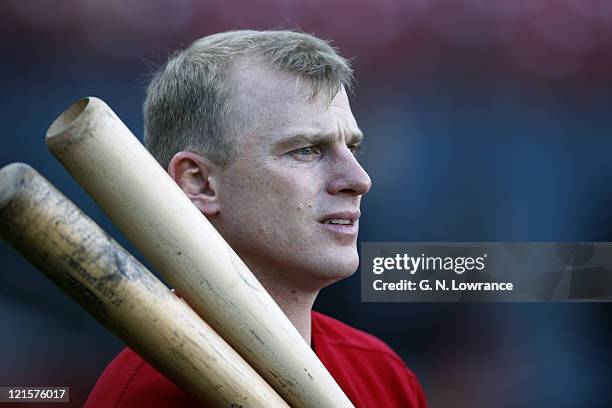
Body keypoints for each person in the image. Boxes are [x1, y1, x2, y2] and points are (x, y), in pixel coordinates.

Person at [85, 30, 426, 408]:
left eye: (353, 147)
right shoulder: (149, 396)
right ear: (199, 182)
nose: (360, 180)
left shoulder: (383, 374)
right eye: (307, 150)